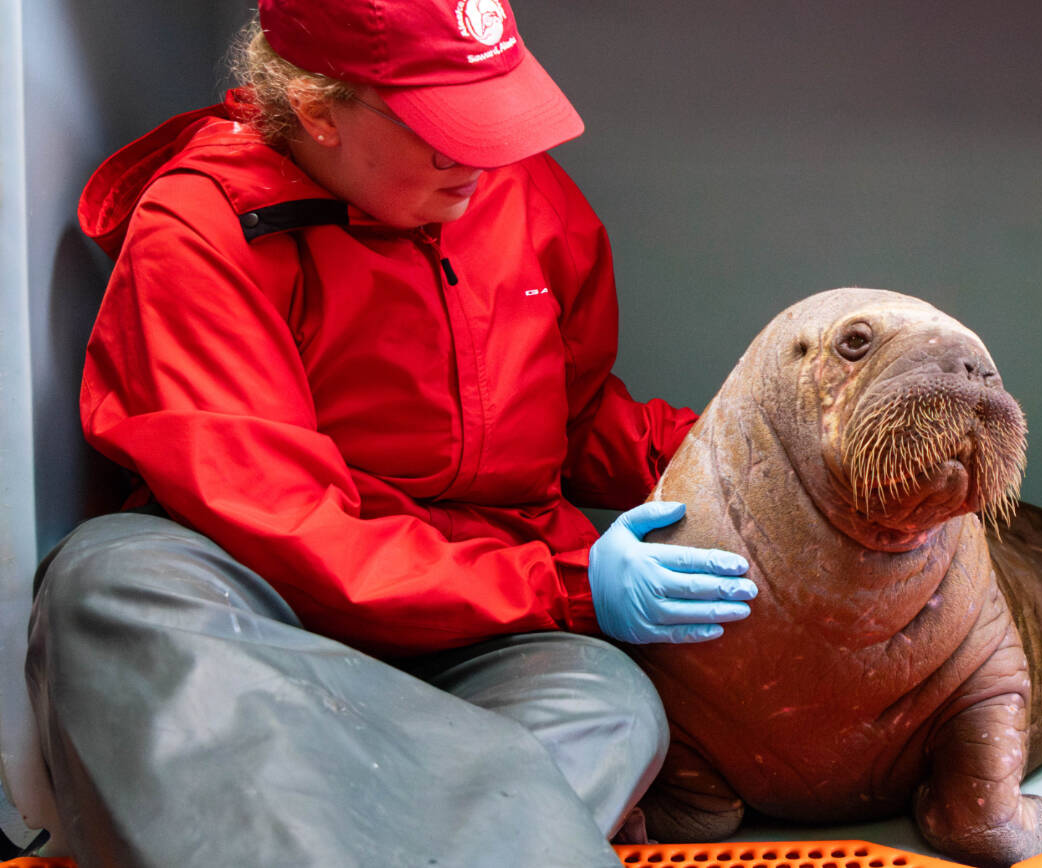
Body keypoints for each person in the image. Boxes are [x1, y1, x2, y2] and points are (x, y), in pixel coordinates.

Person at [26, 1, 757, 865]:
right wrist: (567, 588)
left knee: (613, 704)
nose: (482, 155)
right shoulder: (201, 228)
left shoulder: (518, 190)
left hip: (482, 636)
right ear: (317, 110)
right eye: (444, 128)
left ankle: (304, 812)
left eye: (492, 110)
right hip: (275, 625)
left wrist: (756, 454)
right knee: (108, 581)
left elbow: (575, 417)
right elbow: (282, 522)